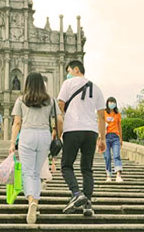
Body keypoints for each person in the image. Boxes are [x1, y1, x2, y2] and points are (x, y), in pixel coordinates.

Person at [9, 72, 62, 224]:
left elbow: (17, 123)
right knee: (37, 173)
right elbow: (59, 119)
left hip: (27, 135)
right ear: (42, 84)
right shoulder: (50, 100)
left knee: (28, 172)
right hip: (44, 135)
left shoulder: (21, 99)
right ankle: (35, 203)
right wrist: (55, 132)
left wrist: (13, 142)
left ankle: (31, 200)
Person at [57, 60, 106, 217]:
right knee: (87, 168)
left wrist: (63, 120)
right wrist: (102, 138)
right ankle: (87, 203)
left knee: (66, 165)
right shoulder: (96, 88)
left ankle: (76, 193)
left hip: (72, 129)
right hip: (91, 132)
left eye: (69, 70)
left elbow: (60, 105)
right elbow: (101, 116)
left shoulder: (68, 83)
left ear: (76, 69)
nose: (68, 73)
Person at [103, 97, 123, 182]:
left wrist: (121, 138)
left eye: (113, 102)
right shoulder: (104, 113)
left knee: (116, 155)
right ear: (107, 103)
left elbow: (119, 127)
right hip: (106, 137)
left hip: (115, 137)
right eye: (110, 102)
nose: (111, 104)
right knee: (107, 156)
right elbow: (100, 125)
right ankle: (109, 175)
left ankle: (118, 175)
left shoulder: (117, 114)